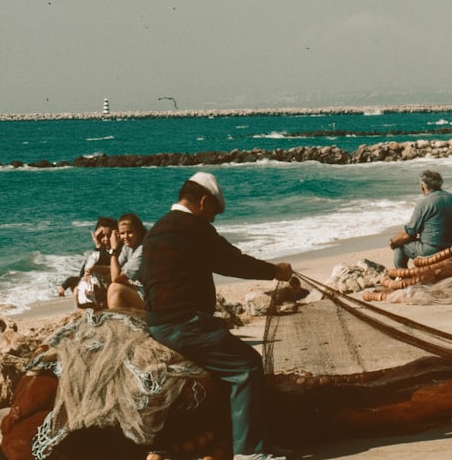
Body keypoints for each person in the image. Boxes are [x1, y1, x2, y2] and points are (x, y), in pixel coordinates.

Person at [142, 172, 292, 460]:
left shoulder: (157, 229)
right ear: (203, 201)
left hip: (158, 323)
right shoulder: (193, 227)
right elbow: (232, 262)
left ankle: (260, 443)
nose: (213, 219)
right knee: (246, 366)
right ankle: (250, 453)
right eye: (213, 212)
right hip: (184, 325)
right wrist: (276, 271)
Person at [389, 170, 452, 269]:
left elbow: (409, 233)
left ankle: (402, 275)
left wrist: (392, 242)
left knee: (399, 244)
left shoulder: (424, 203)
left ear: (422, 186)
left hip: (432, 252)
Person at [58, 216, 116, 300]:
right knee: (76, 285)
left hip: (109, 287)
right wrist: (65, 285)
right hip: (98, 286)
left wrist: (98, 246)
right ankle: (83, 309)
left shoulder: (117, 250)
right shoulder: (100, 251)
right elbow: (83, 274)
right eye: (102, 236)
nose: (106, 239)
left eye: (109, 235)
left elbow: (107, 264)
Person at [106, 212, 147, 310]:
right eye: (122, 233)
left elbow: (115, 278)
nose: (125, 237)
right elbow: (113, 269)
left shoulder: (143, 249)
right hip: (137, 289)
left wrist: (114, 250)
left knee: (115, 289)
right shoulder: (127, 247)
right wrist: (94, 270)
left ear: (139, 231)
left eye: (130, 232)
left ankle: (119, 322)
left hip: (150, 296)